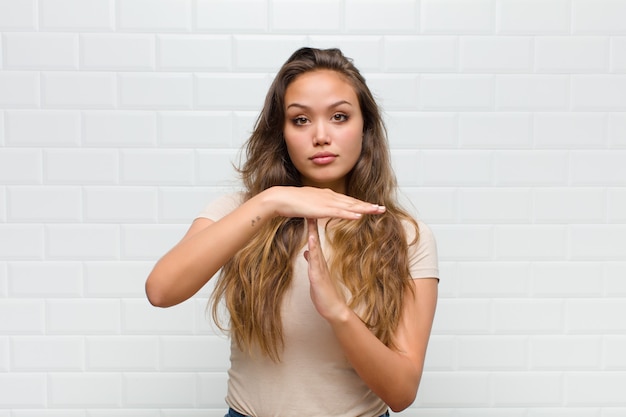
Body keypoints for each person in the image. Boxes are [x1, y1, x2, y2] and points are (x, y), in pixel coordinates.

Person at [145, 47, 439, 417]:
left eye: (339, 116)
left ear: (364, 127)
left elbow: (401, 392)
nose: (320, 135)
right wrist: (270, 202)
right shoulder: (240, 211)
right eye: (300, 120)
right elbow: (161, 290)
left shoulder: (407, 236)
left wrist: (338, 313)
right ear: (280, 132)